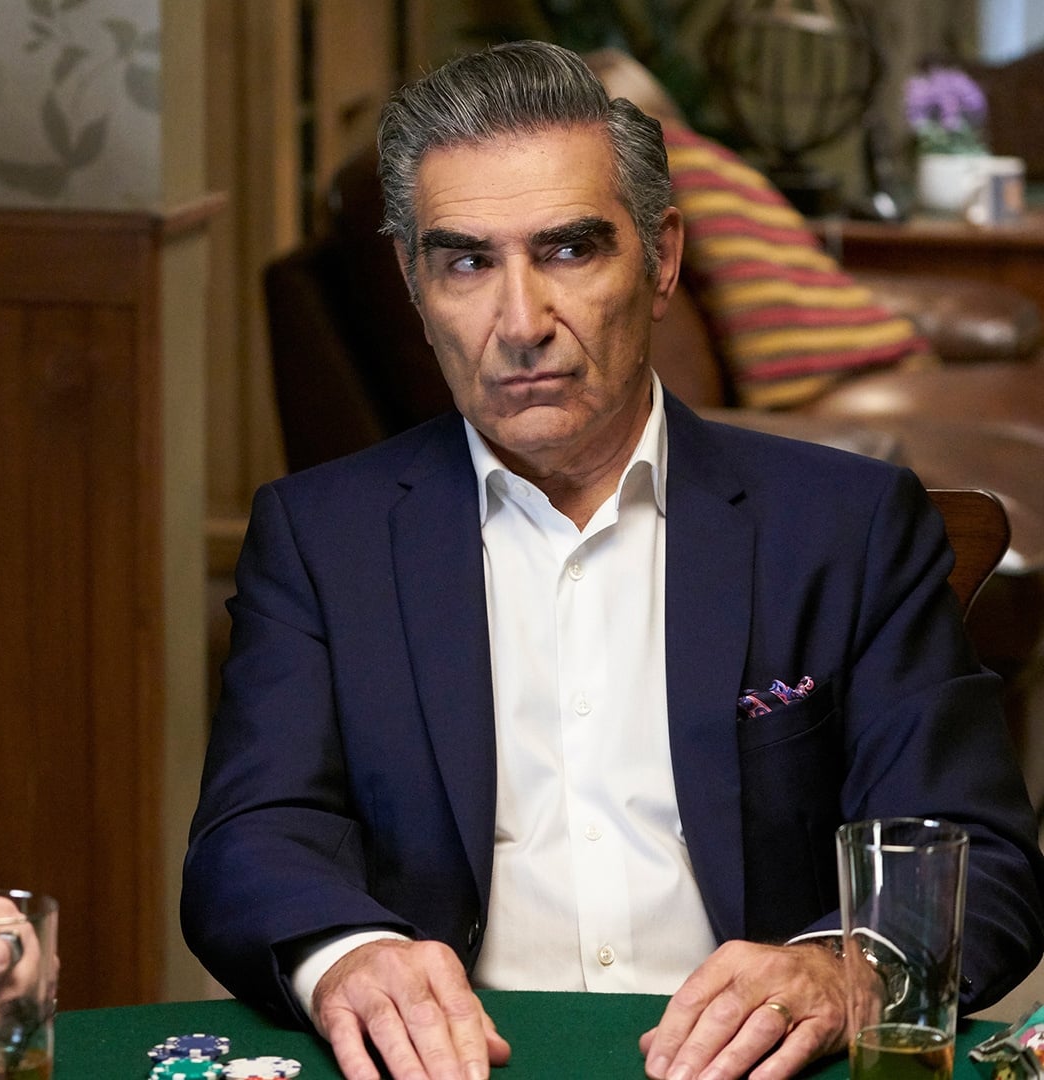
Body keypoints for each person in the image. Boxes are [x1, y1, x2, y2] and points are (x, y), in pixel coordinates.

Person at [181, 39, 1044, 1080]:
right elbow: (250, 839)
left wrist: (844, 968)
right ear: (413, 280)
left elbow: (978, 858)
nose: (520, 324)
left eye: (567, 251)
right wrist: (351, 957)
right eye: (466, 262)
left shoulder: (846, 525)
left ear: (662, 259)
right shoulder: (322, 538)